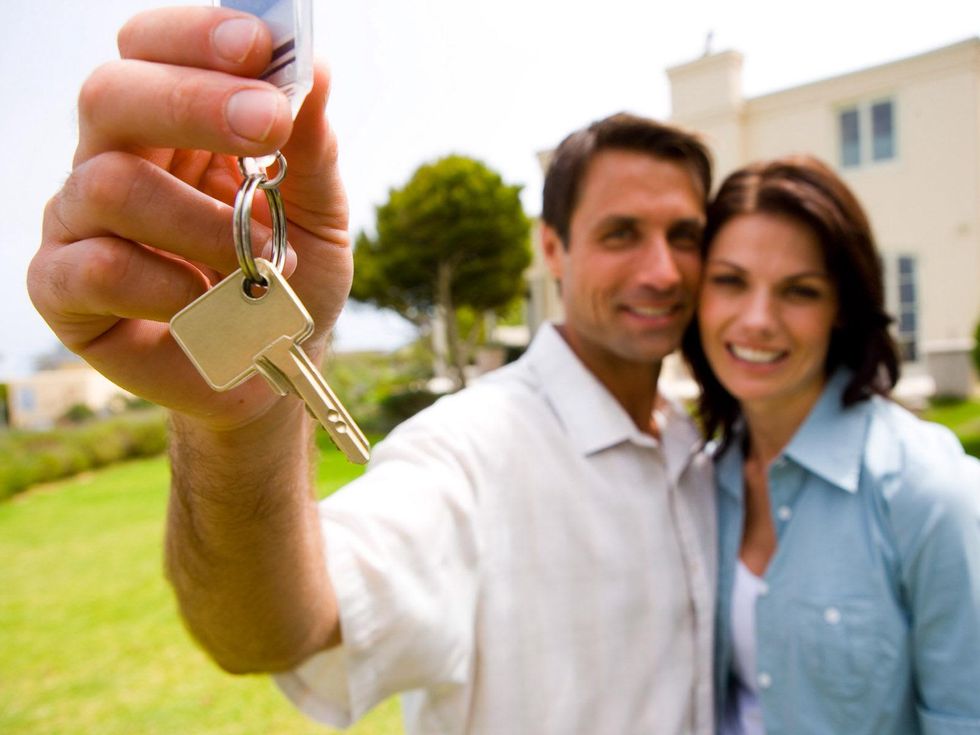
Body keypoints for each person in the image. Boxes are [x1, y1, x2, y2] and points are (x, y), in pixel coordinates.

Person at [28, 7, 718, 733]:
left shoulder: (693, 446)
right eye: (621, 234)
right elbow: (272, 628)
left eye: (685, 235)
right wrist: (242, 423)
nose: (662, 269)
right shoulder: (472, 451)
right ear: (551, 249)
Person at [681, 156, 980, 735]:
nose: (757, 319)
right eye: (730, 281)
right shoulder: (701, 483)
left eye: (800, 291)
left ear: (841, 308)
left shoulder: (933, 495)